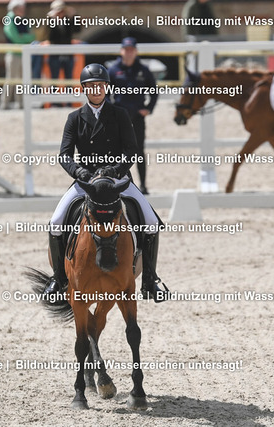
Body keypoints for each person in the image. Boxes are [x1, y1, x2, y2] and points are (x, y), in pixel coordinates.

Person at [45, 63, 169, 303]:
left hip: (117, 180)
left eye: (100, 85)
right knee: (56, 222)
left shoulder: (120, 115)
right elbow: (64, 155)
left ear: (107, 87)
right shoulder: (74, 118)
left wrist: (116, 169)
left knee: (152, 222)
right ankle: (58, 279)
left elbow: (131, 150)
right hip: (87, 181)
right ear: (84, 89)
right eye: (91, 86)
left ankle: (150, 280)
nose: (96, 90)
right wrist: (79, 172)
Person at [108, 37, 158, 195]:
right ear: (121, 51)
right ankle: (118, 183)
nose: (129, 53)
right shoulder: (113, 70)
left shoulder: (143, 70)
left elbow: (154, 91)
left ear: (136, 51)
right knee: (117, 151)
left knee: (139, 151)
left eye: (131, 50)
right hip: (119, 118)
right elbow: (105, 93)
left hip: (137, 117)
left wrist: (148, 108)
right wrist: (111, 111)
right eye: (126, 49)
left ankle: (143, 185)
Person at [2, 0, 35, 109]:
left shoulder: (24, 20)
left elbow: (32, 36)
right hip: (13, 54)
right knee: (10, 79)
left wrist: (23, 37)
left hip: (24, 53)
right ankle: (4, 103)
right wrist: (25, 38)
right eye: (21, 8)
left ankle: (20, 103)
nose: (23, 10)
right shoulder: (9, 19)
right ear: (15, 8)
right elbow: (15, 37)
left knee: (22, 79)